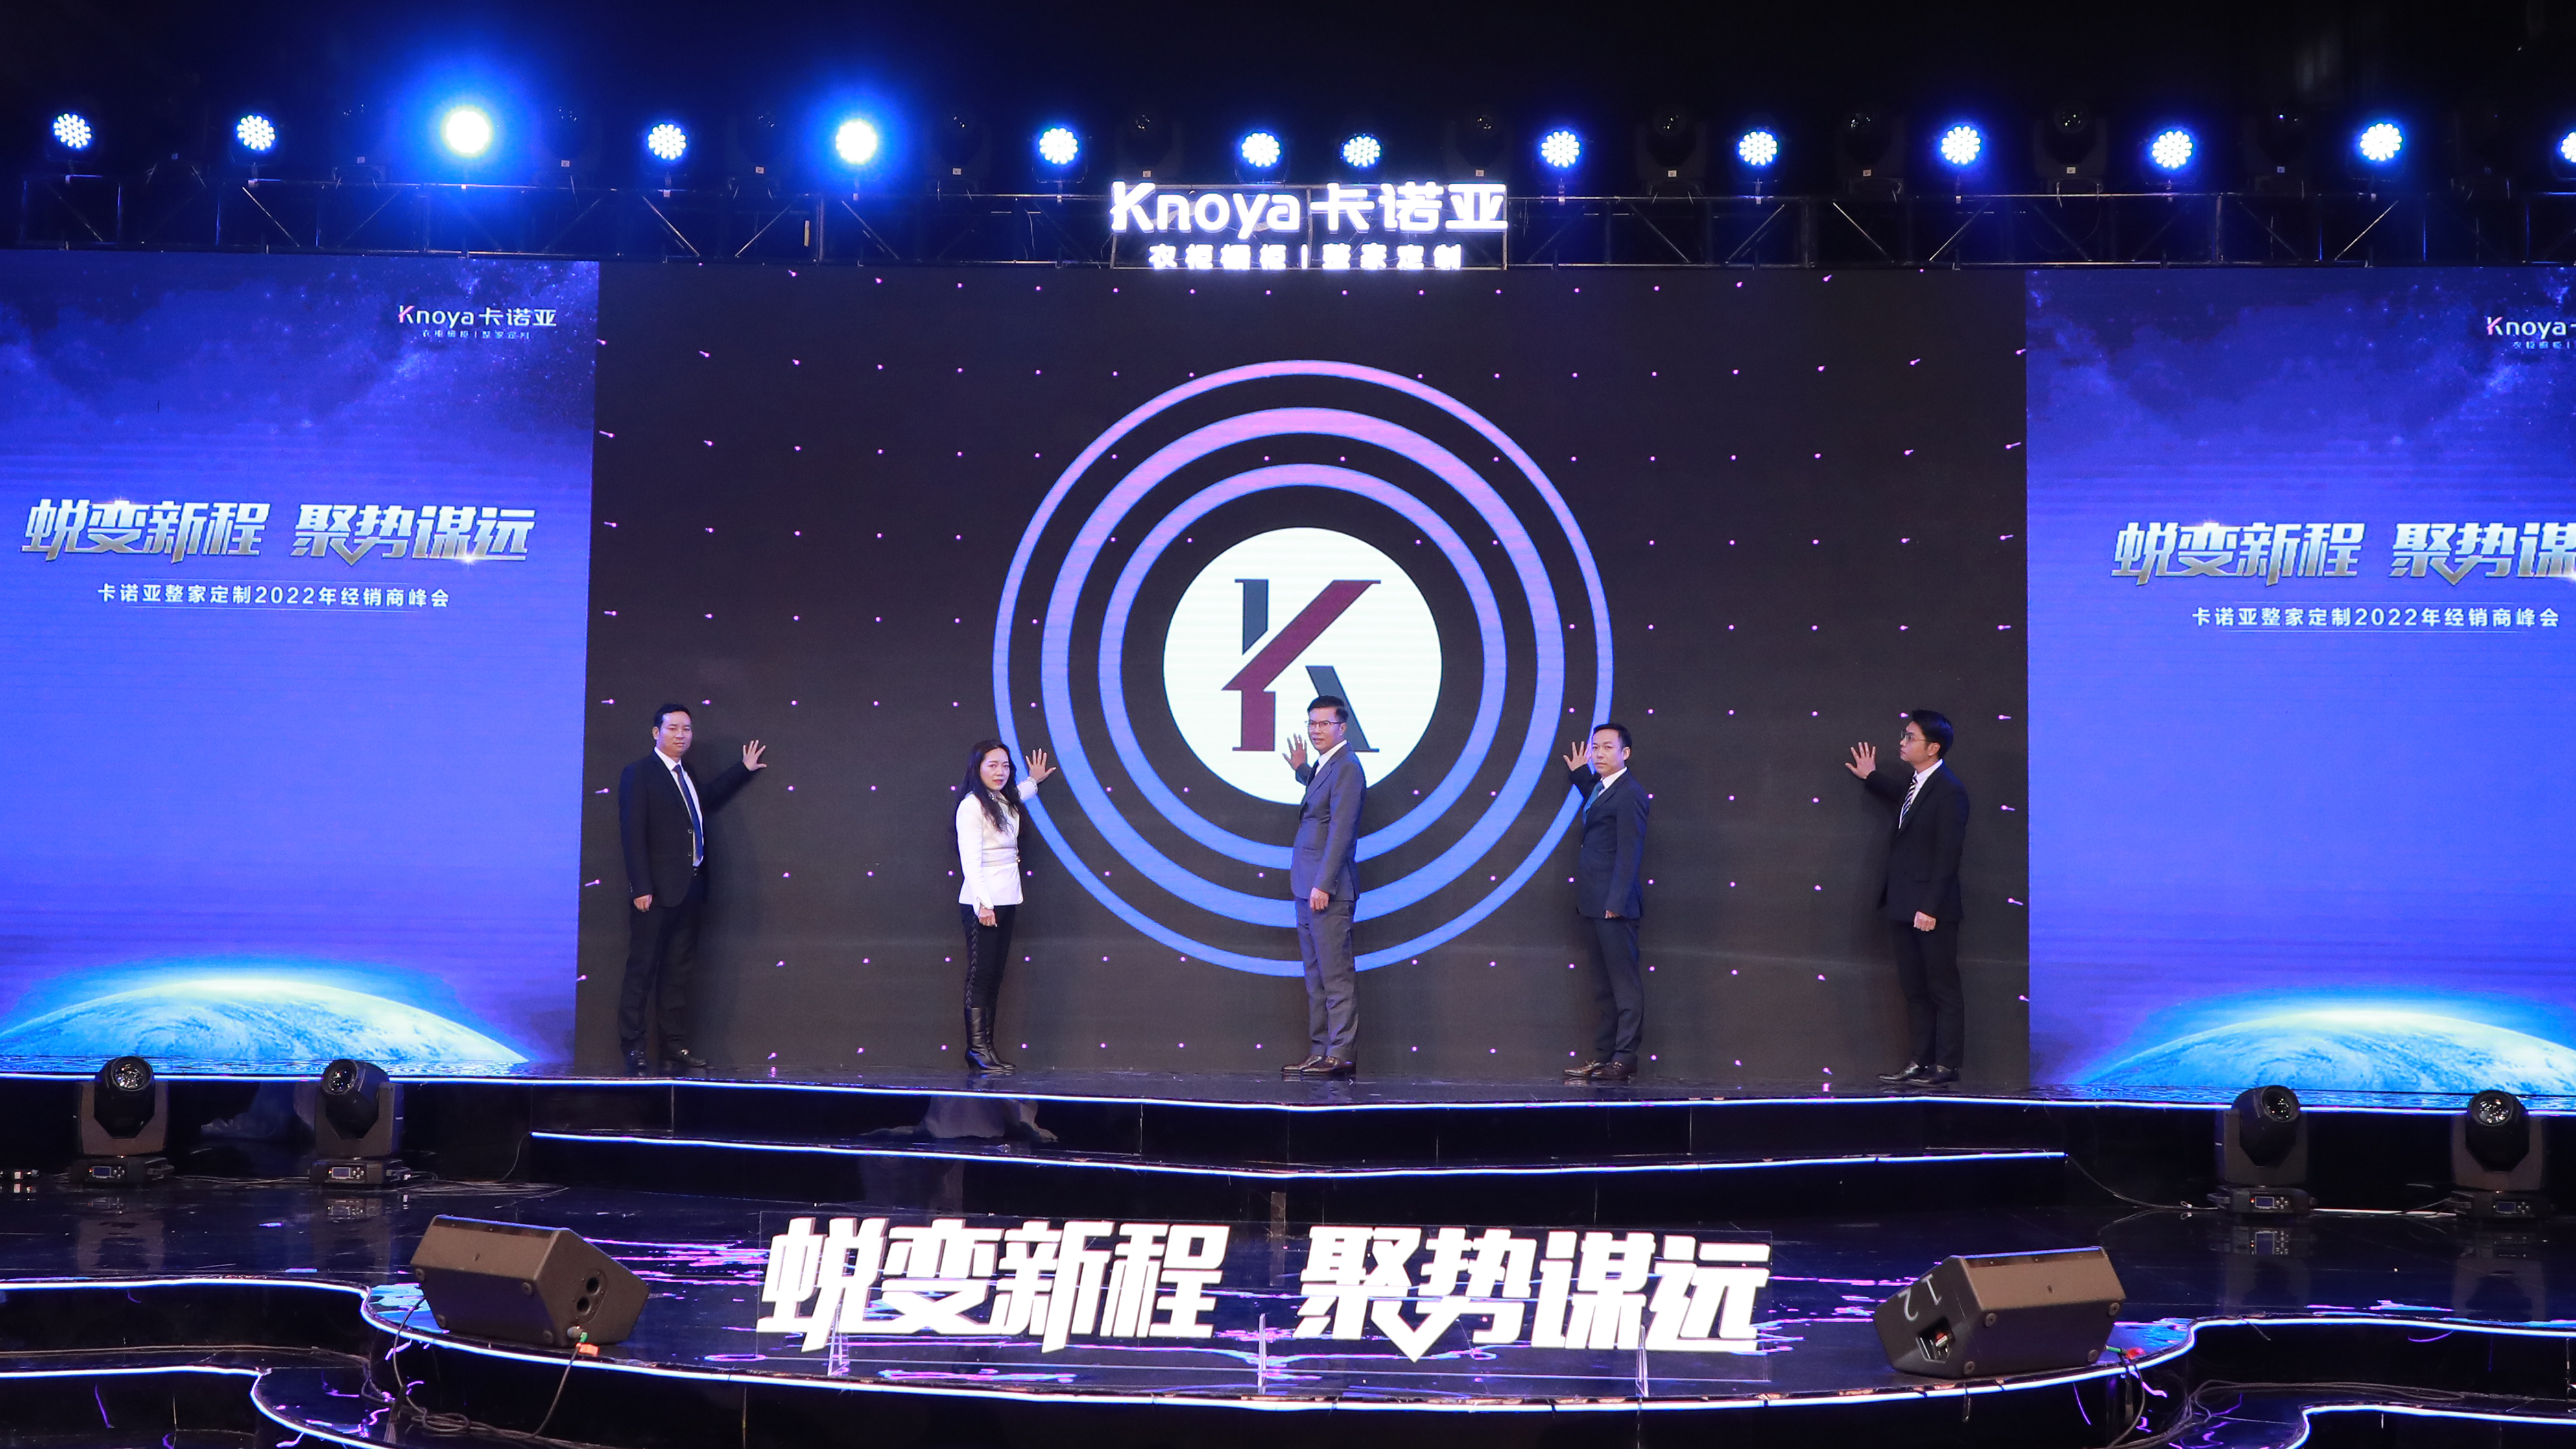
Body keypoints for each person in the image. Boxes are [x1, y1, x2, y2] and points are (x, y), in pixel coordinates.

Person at [617, 704, 767, 1075]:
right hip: (655, 893)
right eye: (673, 728)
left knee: (677, 973)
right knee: (642, 971)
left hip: (691, 890)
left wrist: (742, 770)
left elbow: (706, 802)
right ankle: (633, 1047)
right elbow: (632, 833)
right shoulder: (640, 773)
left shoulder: (687, 774)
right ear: (657, 733)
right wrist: (641, 886)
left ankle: (673, 1046)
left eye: (686, 729)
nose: (681, 735)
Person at [1844, 710, 1969, 1088]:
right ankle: (1920, 1060)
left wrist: (1930, 908)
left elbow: (1948, 855)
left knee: (1942, 988)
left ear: (1933, 748)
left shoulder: (1950, 790)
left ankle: (1947, 1065)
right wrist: (1871, 777)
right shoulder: (1917, 785)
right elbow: (1904, 801)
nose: (1902, 742)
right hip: (1902, 904)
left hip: (1931, 910)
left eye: (1910, 737)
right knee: (1914, 989)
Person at [953, 738, 1056, 1075]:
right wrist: (984, 905)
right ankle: (976, 1050)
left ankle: (988, 1049)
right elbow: (971, 862)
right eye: (992, 765)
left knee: (995, 975)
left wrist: (1034, 780)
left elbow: (1021, 793)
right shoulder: (972, 806)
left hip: (1008, 897)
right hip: (984, 903)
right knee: (981, 975)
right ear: (977, 768)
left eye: (1005, 766)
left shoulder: (1004, 799)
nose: (1000, 772)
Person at [1278, 695, 1365, 1079]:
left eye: (1324, 724)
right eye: (1312, 723)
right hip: (1306, 886)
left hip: (1326, 888)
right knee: (1315, 977)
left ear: (1342, 727)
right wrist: (1302, 770)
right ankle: (1320, 1050)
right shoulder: (1327, 766)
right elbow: (1321, 797)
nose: (1316, 730)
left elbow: (1342, 830)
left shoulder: (1348, 767)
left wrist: (1324, 884)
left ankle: (1341, 1052)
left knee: (1335, 976)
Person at [1560, 723, 1649, 1084]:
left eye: (1607, 747)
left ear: (1625, 753)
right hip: (1594, 902)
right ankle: (1603, 1056)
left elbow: (1630, 851)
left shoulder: (1631, 794)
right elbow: (1598, 806)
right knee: (1603, 986)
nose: (1598, 753)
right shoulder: (1604, 788)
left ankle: (1625, 1058)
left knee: (1624, 986)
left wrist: (1617, 901)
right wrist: (1581, 775)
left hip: (1614, 905)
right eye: (1595, 747)